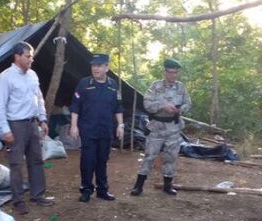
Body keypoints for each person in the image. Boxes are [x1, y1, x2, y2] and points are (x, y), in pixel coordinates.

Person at [0, 41, 54, 215]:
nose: (31, 60)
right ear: (17, 56)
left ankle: (38, 195)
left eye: (31, 56)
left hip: (32, 123)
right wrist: (5, 129)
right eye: (28, 56)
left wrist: (42, 119)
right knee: (16, 163)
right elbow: (0, 106)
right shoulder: (6, 77)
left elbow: (39, 98)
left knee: (36, 160)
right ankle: (18, 200)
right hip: (15, 125)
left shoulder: (33, 75)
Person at [130, 58, 191, 196]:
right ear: (164, 72)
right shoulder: (155, 87)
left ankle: (168, 185)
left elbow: (188, 103)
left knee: (171, 157)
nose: (173, 75)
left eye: (175, 73)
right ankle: (138, 186)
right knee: (149, 156)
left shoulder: (181, 87)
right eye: (170, 72)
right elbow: (147, 105)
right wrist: (163, 106)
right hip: (157, 127)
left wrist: (181, 110)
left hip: (174, 127)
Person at [70, 53, 124, 203]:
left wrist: (120, 125)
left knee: (102, 160)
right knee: (88, 160)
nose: (95, 68)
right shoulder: (84, 83)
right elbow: (75, 106)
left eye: (99, 65)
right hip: (88, 129)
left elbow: (118, 107)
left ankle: (102, 190)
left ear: (107, 67)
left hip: (106, 130)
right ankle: (86, 189)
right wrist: (74, 126)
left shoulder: (113, 85)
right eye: (93, 65)